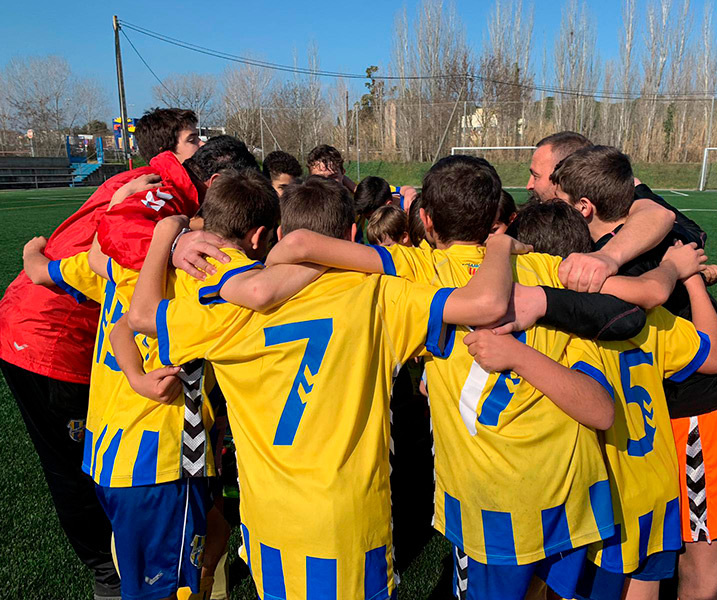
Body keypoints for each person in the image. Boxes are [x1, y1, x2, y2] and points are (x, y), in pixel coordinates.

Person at [265, 155, 677, 600]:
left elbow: (303, 244)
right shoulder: (545, 268)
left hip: (490, 506)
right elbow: (641, 298)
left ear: (424, 219)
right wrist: (676, 269)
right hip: (571, 498)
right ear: (496, 214)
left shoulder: (414, 270)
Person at [123, 175, 532, 600]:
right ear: (352, 234)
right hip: (349, 522)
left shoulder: (225, 303)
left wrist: (170, 236)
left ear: (276, 235)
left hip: (271, 521)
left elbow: (140, 315)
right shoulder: (377, 293)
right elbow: (483, 304)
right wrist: (499, 244)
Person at [550, 145, 717, 600]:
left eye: (544, 184)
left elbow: (653, 294)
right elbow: (663, 219)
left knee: (702, 562)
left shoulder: (622, 258)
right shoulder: (654, 226)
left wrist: (606, 268)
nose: (535, 190)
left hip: (708, 414)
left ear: (585, 205)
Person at [0, 107, 202, 600]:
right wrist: (171, 243)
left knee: (92, 458)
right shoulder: (160, 187)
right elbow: (119, 240)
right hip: (49, 339)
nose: (200, 145)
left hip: (48, 318)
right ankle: (108, 572)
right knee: (78, 468)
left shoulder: (150, 187)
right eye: (193, 138)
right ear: (170, 150)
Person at [501, 200, 717, 600]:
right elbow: (715, 357)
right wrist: (691, 280)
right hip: (657, 484)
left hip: (603, 496)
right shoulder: (643, 313)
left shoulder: (560, 332)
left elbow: (591, 406)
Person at [526, 131, 677, 293]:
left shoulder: (613, 264)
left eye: (536, 176)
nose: (529, 185)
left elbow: (652, 292)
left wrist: (607, 257)